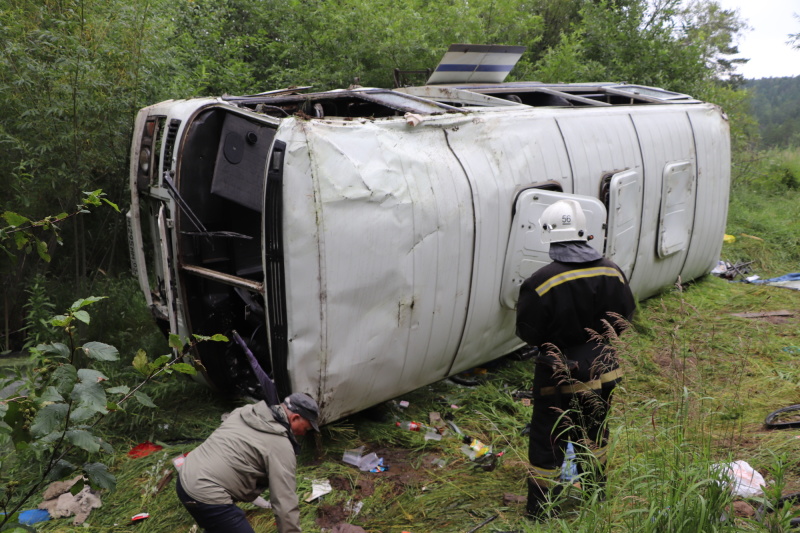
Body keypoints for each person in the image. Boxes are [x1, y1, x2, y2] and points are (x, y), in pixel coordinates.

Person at [515, 199, 635, 519]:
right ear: (585, 231)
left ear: (548, 234)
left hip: (560, 375)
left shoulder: (540, 282)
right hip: (606, 368)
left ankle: (541, 511)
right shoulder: (612, 270)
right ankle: (596, 496)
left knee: (548, 439)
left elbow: (527, 332)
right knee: (595, 434)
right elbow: (625, 317)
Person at [176, 392, 320, 533]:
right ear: (295, 418)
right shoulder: (281, 446)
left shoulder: (245, 412)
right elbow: (284, 502)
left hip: (185, 477)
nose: (303, 433)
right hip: (207, 493)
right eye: (306, 428)